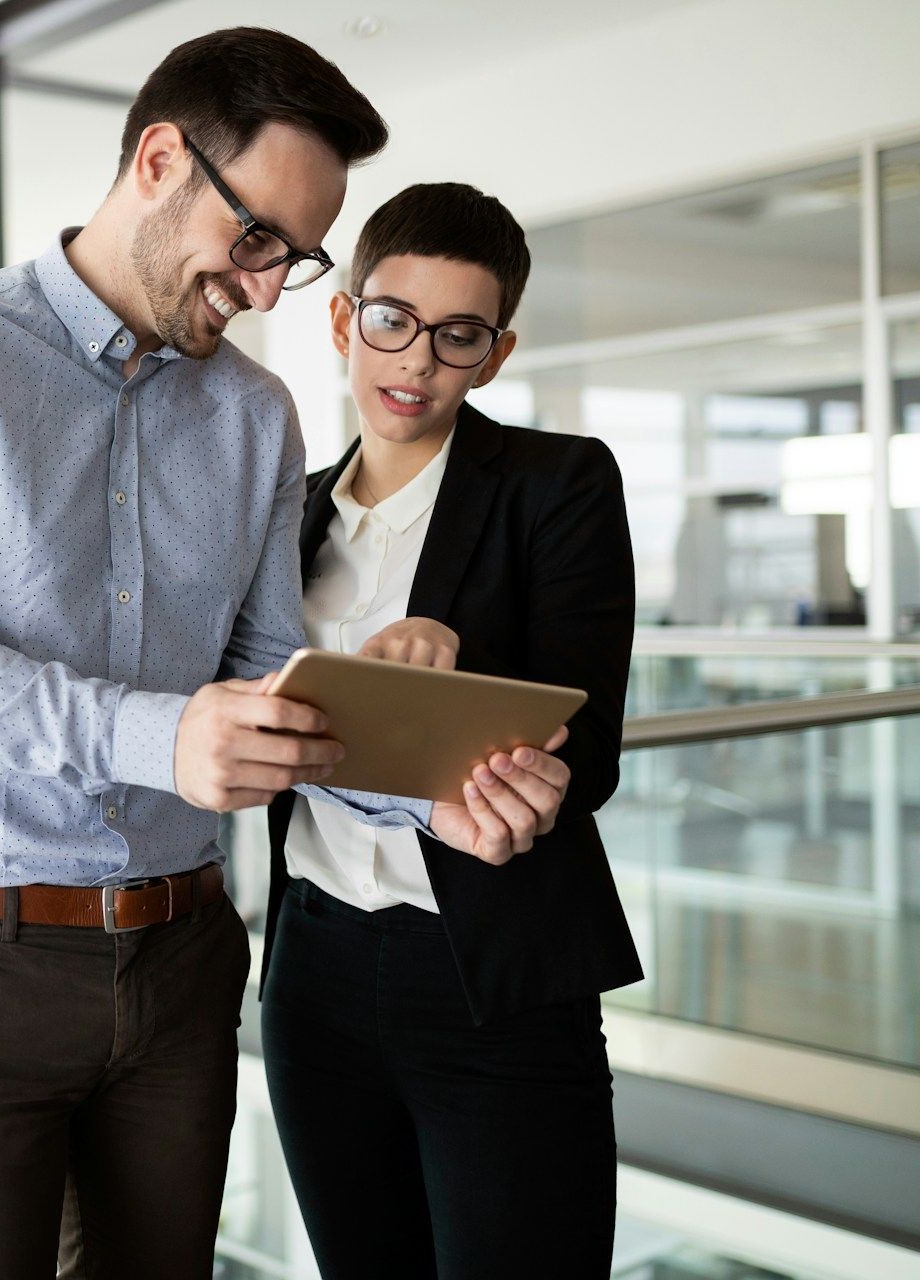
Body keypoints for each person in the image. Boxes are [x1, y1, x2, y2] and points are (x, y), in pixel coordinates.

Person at [0, 29, 572, 1280]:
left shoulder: (253, 415)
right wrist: (159, 734)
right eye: (260, 237)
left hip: (181, 960)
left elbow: (273, 678)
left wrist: (432, 793)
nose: (272, 287)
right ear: (161, 159)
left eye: (300, 253)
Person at [261, 183, 641, 1279]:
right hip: (315, 972)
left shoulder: (557, 484)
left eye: (457, 335)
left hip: (492, 979)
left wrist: (451, 668)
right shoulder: (285, 512)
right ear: (344, 319)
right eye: (391, 319)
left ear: (496, 350)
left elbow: (591, 748)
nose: (416, 360)